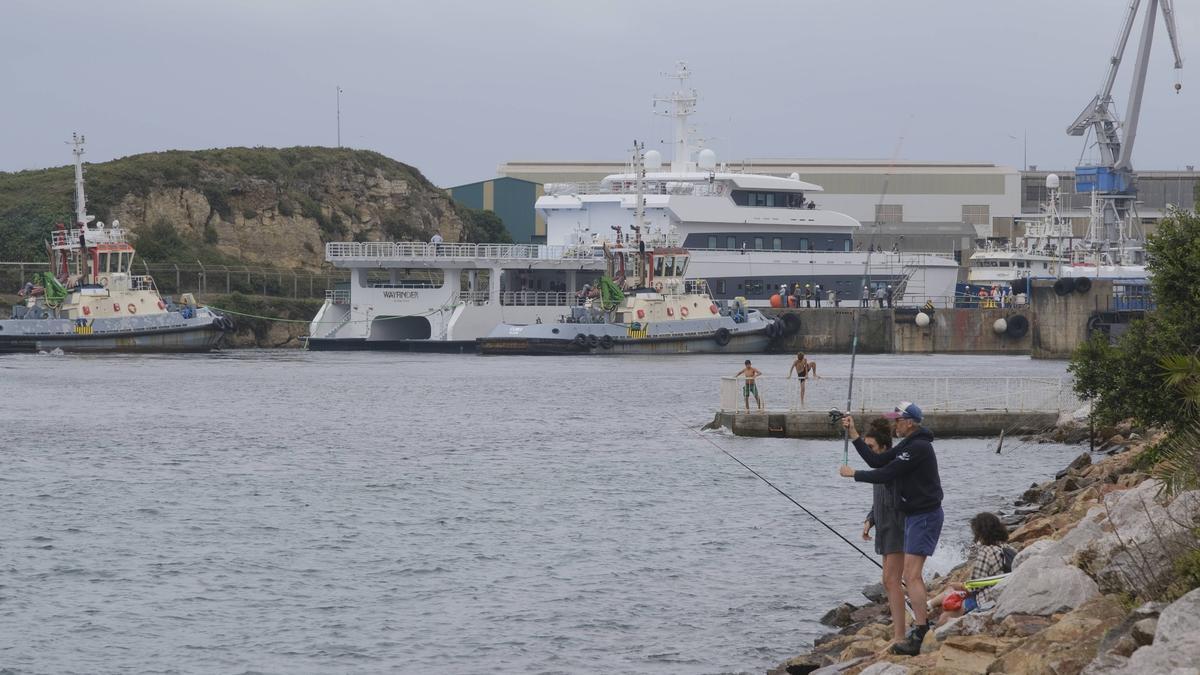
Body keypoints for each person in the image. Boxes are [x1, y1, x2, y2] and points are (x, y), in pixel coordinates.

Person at [838, 402, 943, 656]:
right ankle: (918, 629)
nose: (895, 424)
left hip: (925, 515)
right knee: (907, 575)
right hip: (915, 517)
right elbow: (876, 460)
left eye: (898, 420)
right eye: (894, 420)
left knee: (912, 575)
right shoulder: (908, 445)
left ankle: (920, 631)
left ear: (910, 422)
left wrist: (854, 474)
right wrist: (853, 434)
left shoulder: (918, 447)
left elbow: (886, 472)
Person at [857, 418, 907, 647]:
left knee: (891, 580)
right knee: (889, 581)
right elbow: (878, 501)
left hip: (898, 529)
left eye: (871, 448)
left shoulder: (893, 468)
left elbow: (897, 500)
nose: (869, 453)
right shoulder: (879, 468)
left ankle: (900, 634)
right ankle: (902, 627)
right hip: (884, 530)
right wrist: (870, 520)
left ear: (885, 448)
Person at [932, 512, 1011, 626]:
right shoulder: (1008, 548)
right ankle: (928, 605)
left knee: (945, 616)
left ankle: (929, 632)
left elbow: (974, 586)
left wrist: (959, 585)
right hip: (1005, 591)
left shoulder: (986, 551)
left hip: (987, 597)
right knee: (952, 590)